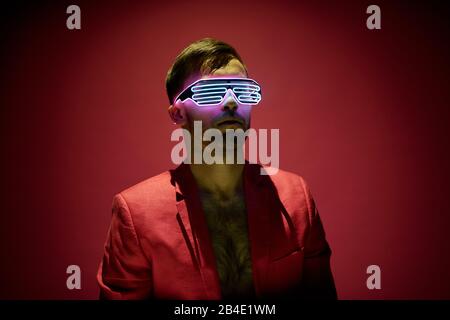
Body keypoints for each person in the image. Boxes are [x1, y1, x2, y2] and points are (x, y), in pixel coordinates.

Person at [97, 38, 337, 300]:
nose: (231, 103)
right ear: (177, 114)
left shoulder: (295, 198)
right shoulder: (136, 214)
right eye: (211, 92)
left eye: (243, 91)